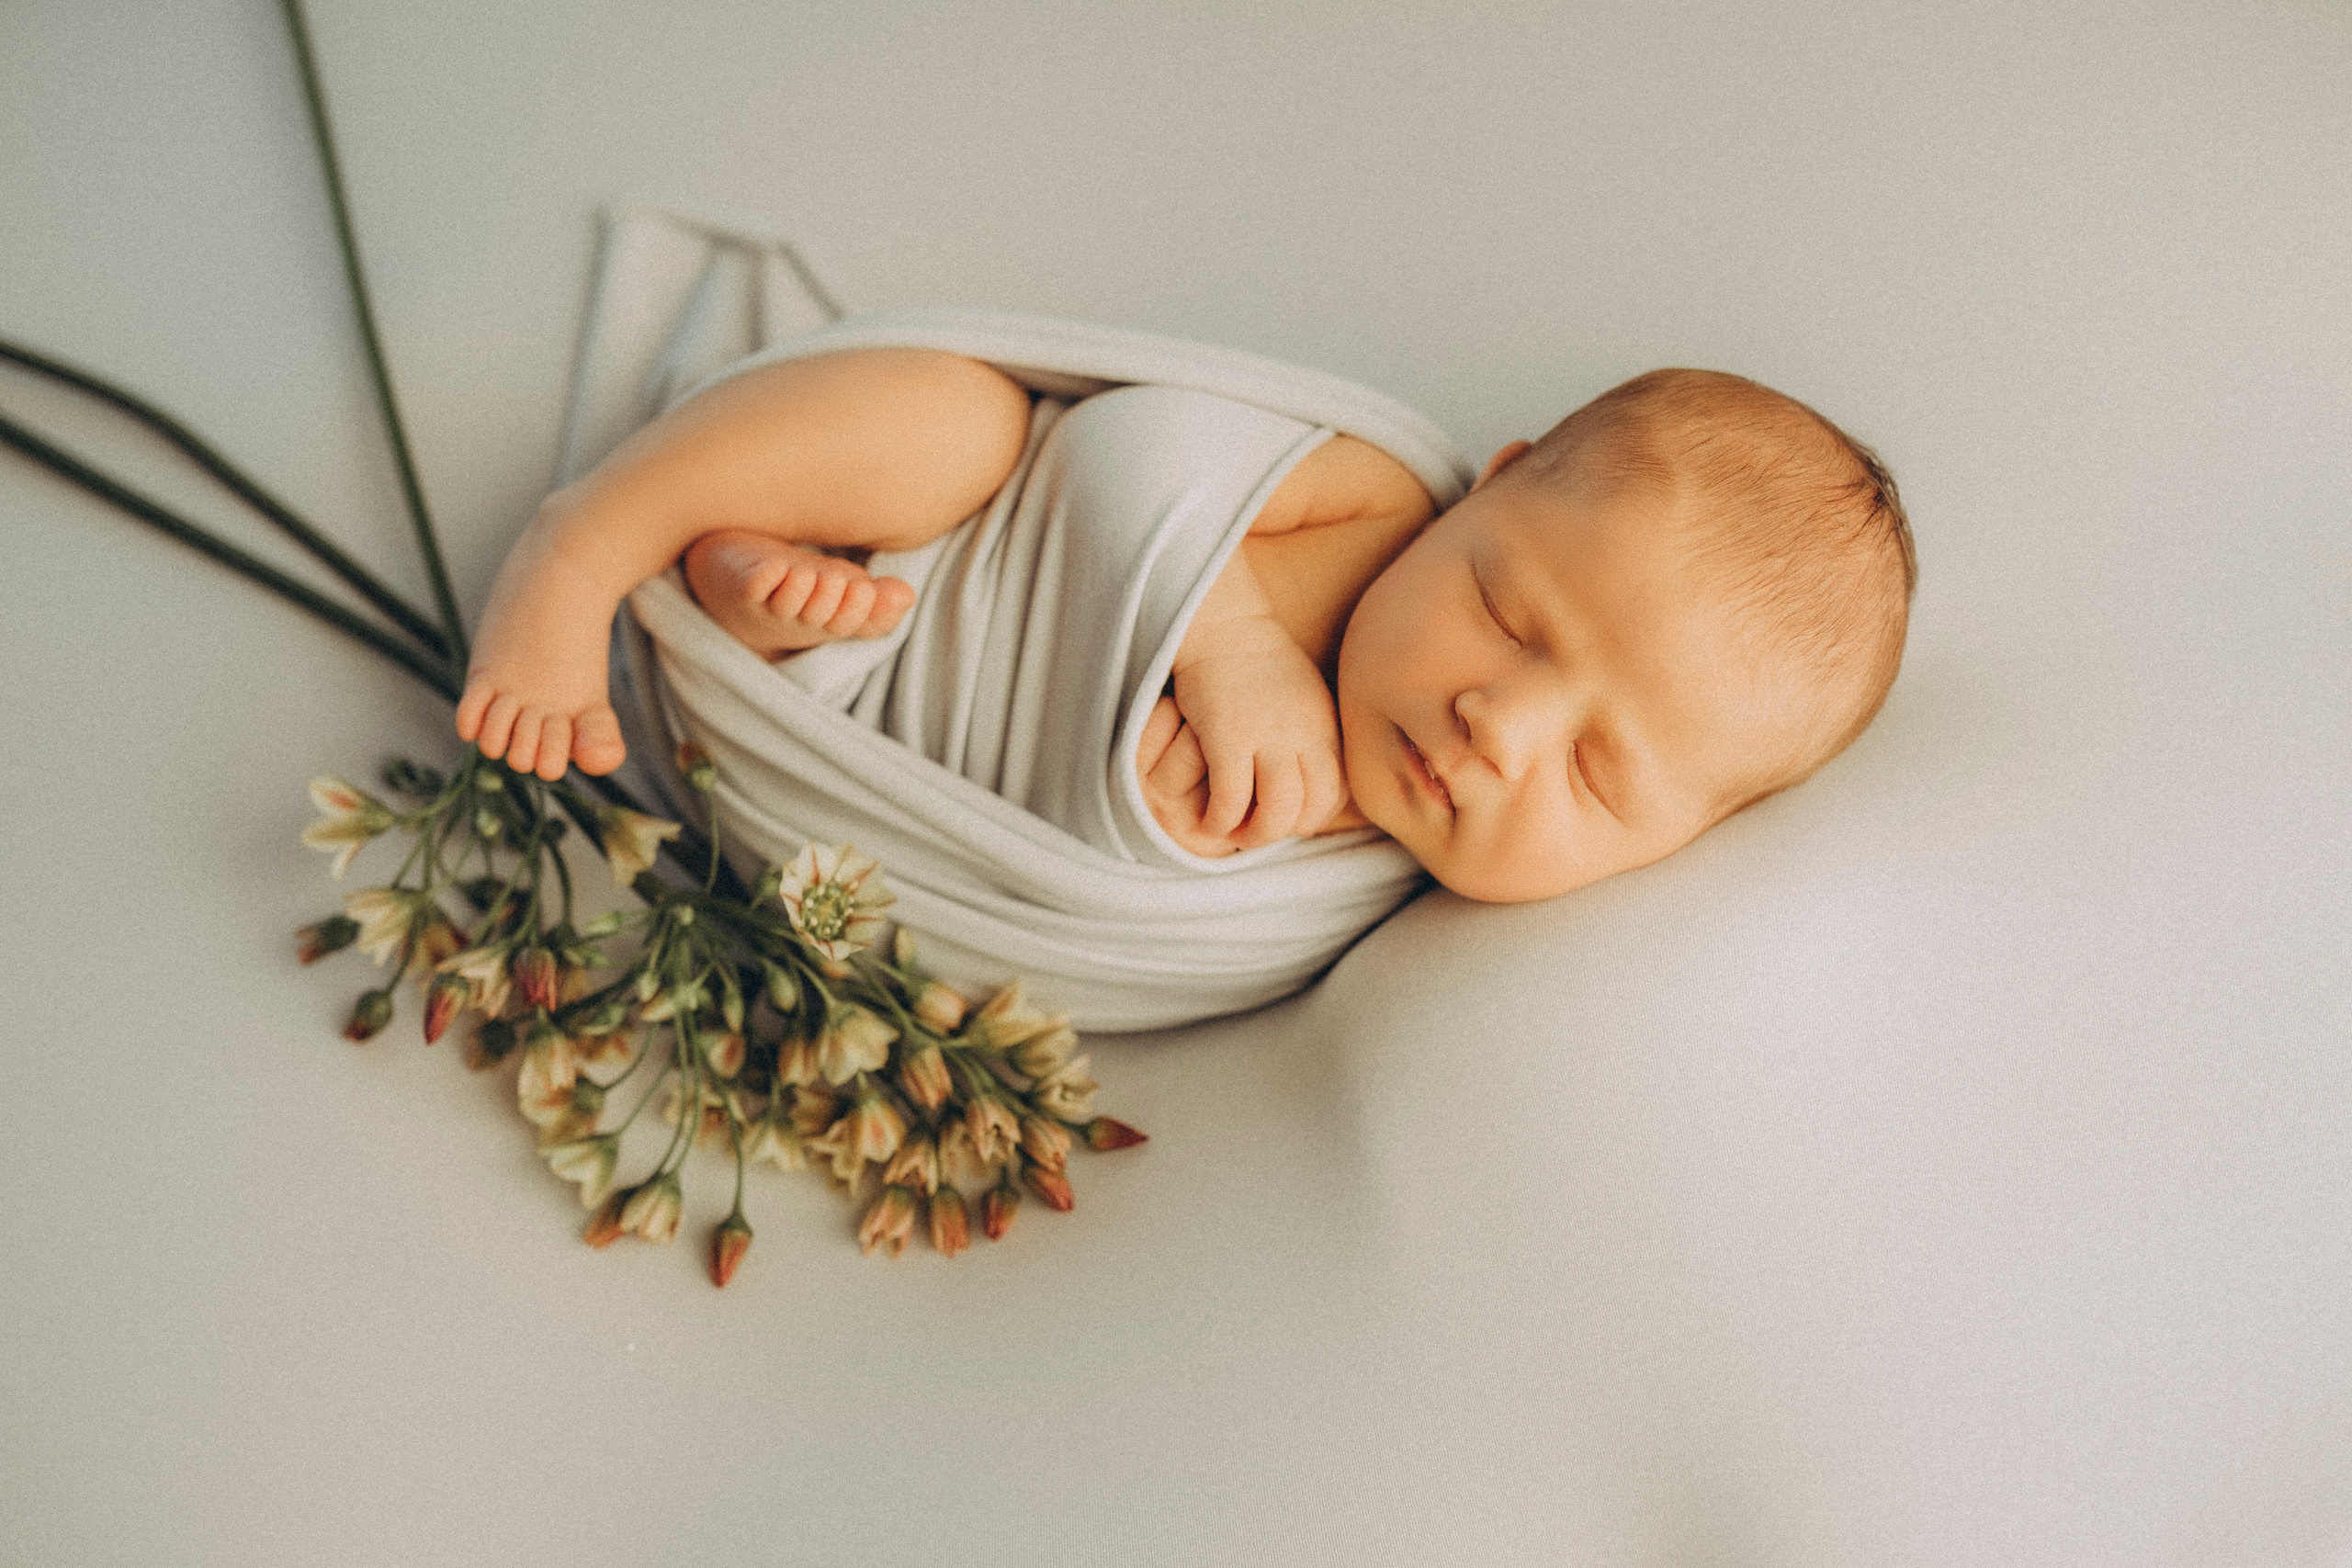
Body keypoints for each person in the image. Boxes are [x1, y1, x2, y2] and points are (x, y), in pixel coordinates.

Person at [457, 345, 1913, 904]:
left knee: (824, 634)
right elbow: (1118, 451)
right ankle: (589, 544)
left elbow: (1101, 936)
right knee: (955, 419)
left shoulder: (1356, 886)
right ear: (1494, 484)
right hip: (959, 550)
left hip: (863, 757)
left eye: (1599, 777)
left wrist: (1148, 833)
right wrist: (1226, 648)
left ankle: (765, 629)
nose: (1501, 724)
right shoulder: (1366, 508)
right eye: (1506, 611)